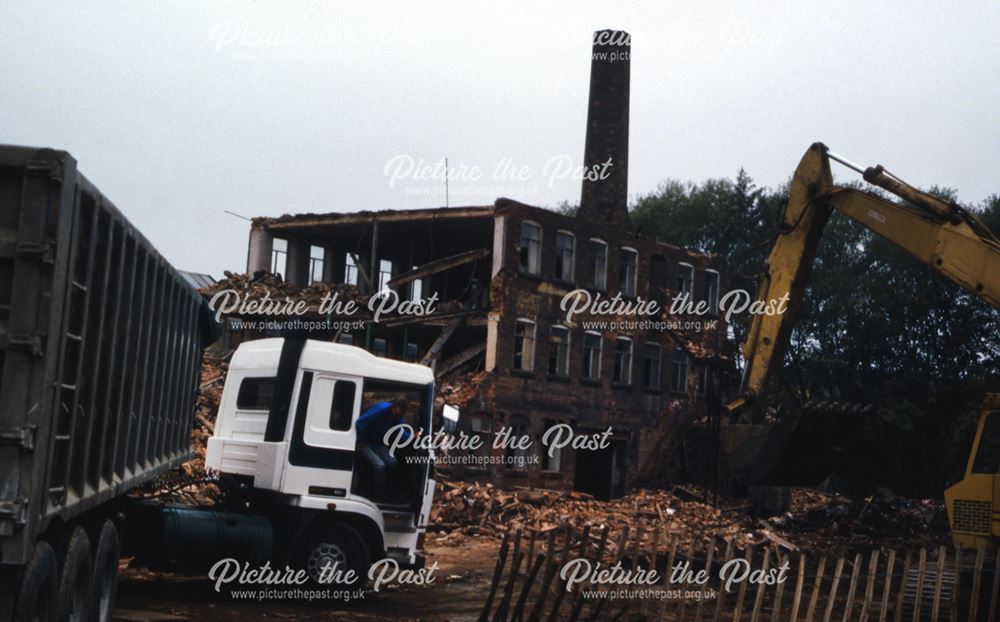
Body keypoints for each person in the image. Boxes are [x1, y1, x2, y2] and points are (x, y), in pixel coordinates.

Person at [355, 398, 410, 499]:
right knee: (379, 465)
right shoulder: (381, 409)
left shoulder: (397, 417)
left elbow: (400, 430)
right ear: (393, 407)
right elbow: (360, 423)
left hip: (377, 442)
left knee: (392, 462)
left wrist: (411, 437)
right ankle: (378, 494)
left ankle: (385, 485)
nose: (397, 417)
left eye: (400, 415)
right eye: (396, 414)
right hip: (363, 441)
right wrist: (360, 441)